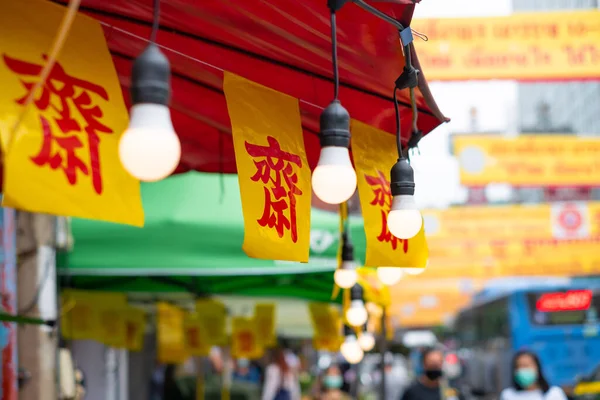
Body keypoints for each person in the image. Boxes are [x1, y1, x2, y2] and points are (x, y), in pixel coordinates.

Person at [499, 350, 567, 400]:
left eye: (526, 366)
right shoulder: (508, 395)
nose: (522, 370)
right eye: (518, 366)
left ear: (537, 367)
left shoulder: (554, 394)